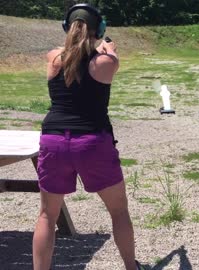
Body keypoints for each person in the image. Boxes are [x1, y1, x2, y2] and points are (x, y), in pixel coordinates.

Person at [33, 4, 143, 270]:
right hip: (92, 142)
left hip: (54, 140)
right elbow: (104, 58)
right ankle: (131, 267)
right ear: (100, 30)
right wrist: (108, 48)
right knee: (118, 211)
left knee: (47, 215)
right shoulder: (107, 61)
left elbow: (66, 55)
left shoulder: (53, 59)